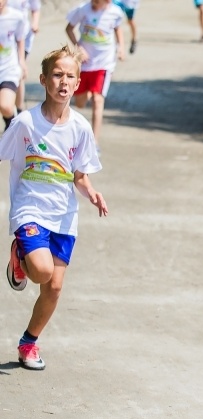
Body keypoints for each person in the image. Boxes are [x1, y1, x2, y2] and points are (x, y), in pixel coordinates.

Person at [2, 45, 107, 371]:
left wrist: (90, 191)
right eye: (57, 75)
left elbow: (79, 174)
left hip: (63, 213)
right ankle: (20, 255)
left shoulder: (80, 128)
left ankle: (29, 342)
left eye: (70, 76)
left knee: (55, 287)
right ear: (44, 80)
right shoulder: (25, 122)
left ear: (77, 84)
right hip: (29, 207)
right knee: (43, 271)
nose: (64, 81)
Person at [65, 0, 126, 147]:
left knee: (98, 100)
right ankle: (89, 92)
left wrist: (121, 47)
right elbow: (69, 28)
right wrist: (78, 47)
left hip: (104, 63)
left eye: (98, 1)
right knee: (79, 103)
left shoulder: (116, 12)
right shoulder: (82, 9)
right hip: (85, 64)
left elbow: (118, 29)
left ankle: (94, 143)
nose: (94, 3)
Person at [6, 0, 40, 114]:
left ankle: (19, 110)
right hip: (5, 37)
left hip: (23, 38)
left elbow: (35, 8)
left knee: (18, 72)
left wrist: (35, 23)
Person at [0, 0, 26, 130]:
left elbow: (20, 39)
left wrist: (21, 61)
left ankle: (12, 124)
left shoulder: (16, 16)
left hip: (7, 69)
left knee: (5, 106)